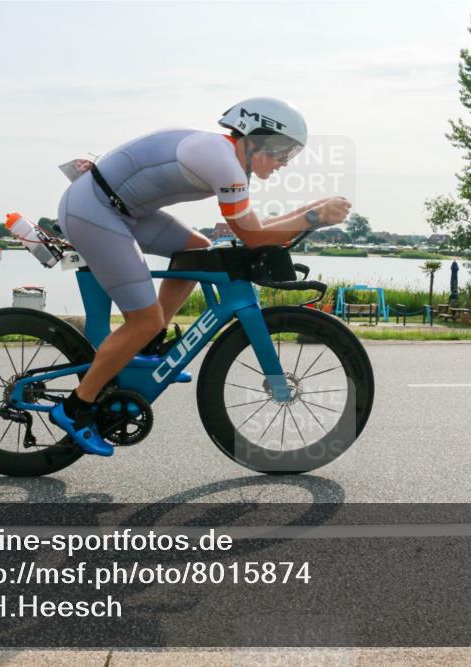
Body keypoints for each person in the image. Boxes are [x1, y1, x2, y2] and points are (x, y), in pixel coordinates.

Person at [51, 97, 351, 454]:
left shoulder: (226, 159)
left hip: (124, 209)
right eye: (282, 151)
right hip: (95, 210)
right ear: (255, 138)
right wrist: (314, 218)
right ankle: (76, 409)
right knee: (142, 320)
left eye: (291, 154)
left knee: (197, 250)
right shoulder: (222, 161)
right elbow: (253, 237)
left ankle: (148, 345)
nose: (285, 162)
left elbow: (251, 229)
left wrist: (311, 210)